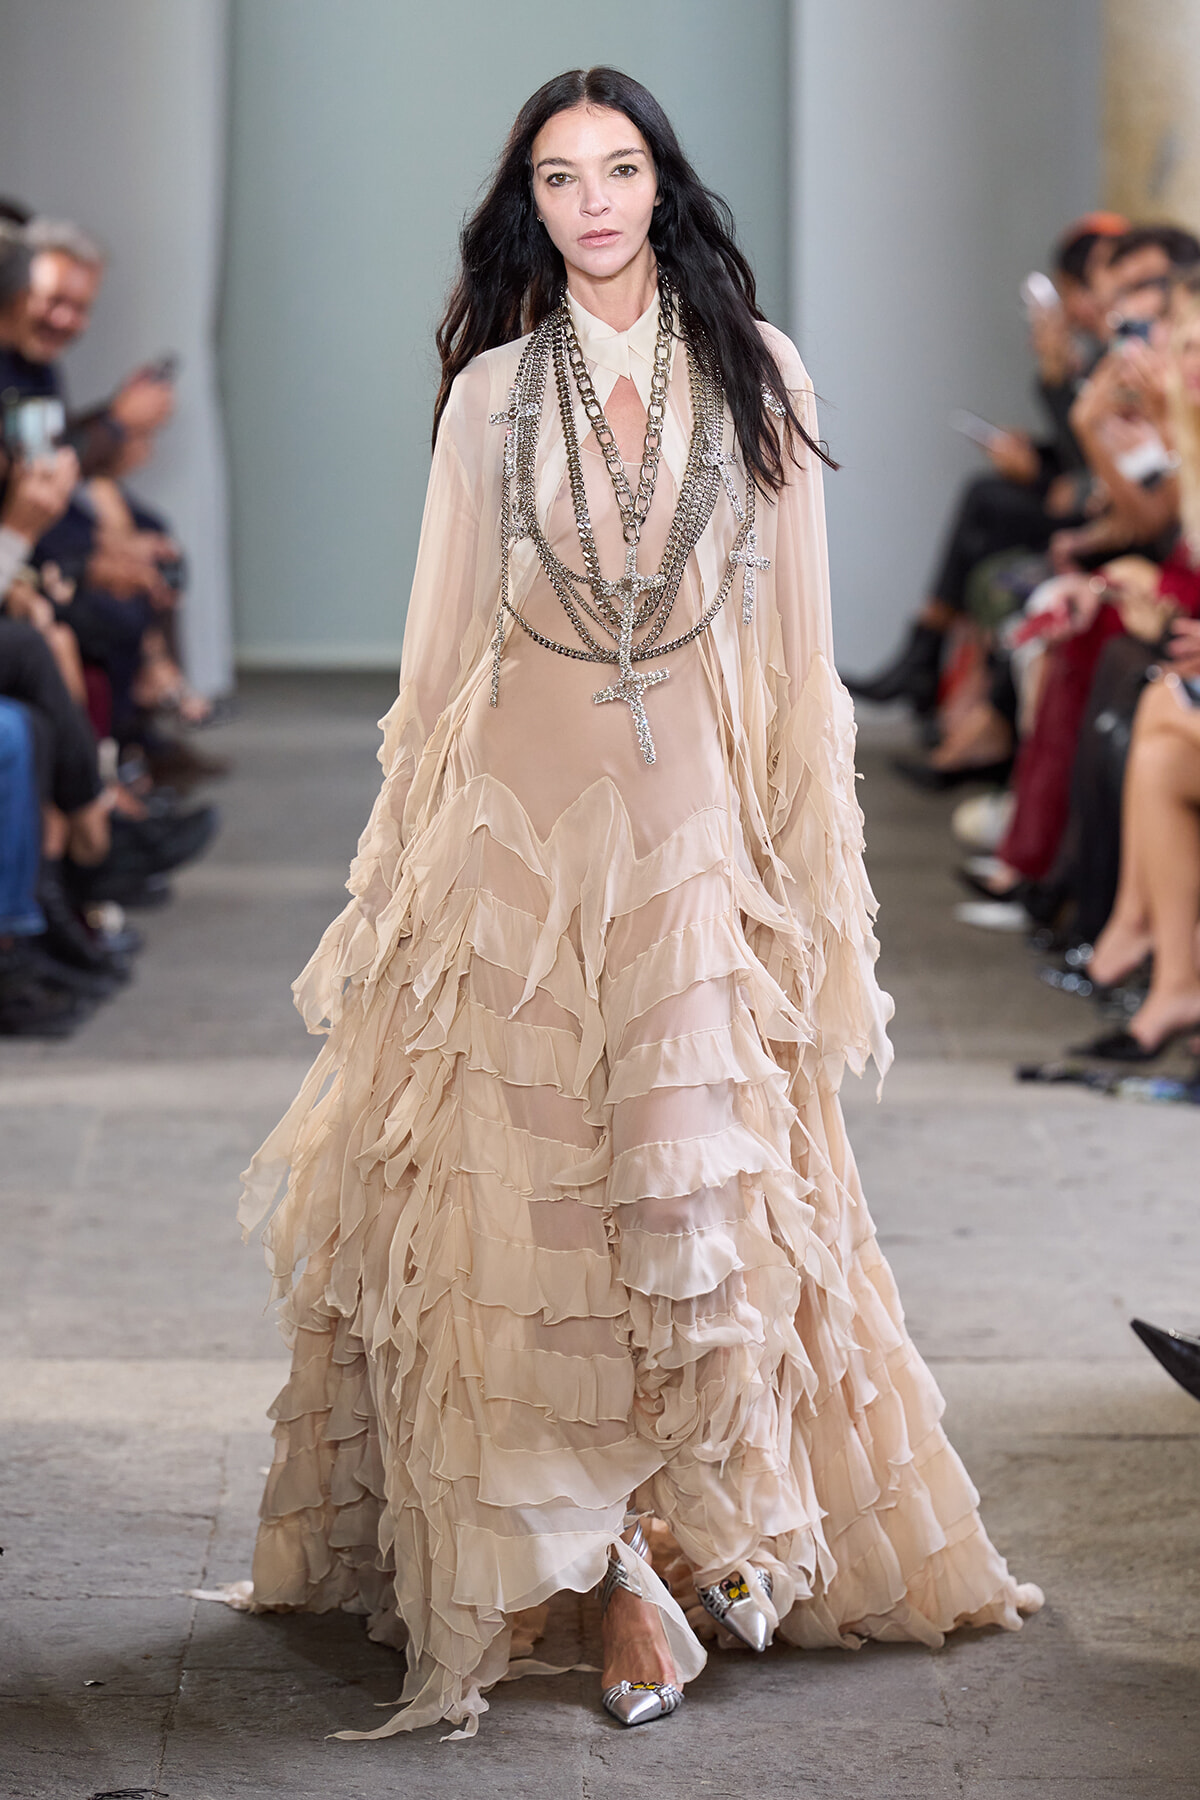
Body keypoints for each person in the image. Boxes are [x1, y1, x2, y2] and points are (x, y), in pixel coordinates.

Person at [226, 68, 1041, 1741]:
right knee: (520, 1217)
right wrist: (400, 893)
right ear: (529, 205)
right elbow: (438, 657)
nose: (592, 200)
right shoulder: (490, 398)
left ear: (661, 188)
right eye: (557, 176)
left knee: (683, 1205)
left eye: (617, 169)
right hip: (506, 846)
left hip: (685, 850)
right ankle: (594, 1566)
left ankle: (673, 1536)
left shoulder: (758, 376)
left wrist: (810, 904)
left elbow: (801, 671)